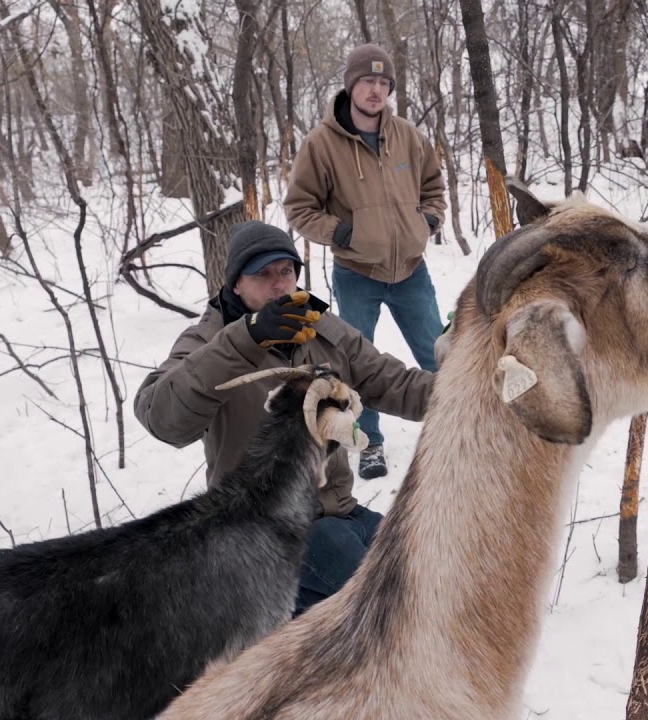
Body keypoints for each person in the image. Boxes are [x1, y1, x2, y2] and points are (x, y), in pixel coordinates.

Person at [134, 220, 433, 614]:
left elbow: (393, 382)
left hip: (338, 511)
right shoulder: (208, 340)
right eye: (263, 275)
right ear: (235, 284)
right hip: (262, 531)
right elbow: (161, 417)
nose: (279, 286)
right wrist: (247, 338)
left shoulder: (320, 327)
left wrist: (477, 389)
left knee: (433, 572)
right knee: (397, 607)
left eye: (287, 272)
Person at [283, 43, 447, 480]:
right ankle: (370, 441)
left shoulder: (408, 136)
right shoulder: (321, 145)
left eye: (383, 82)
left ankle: (455, 428)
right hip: (357, 274)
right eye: (367, 81)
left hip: (412, 271)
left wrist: (426, 221)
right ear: (351, 85)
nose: (376, 90)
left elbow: (433, 186)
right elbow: (300, 208)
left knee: (440, 354)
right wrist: (344, 234)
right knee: (357, 363)